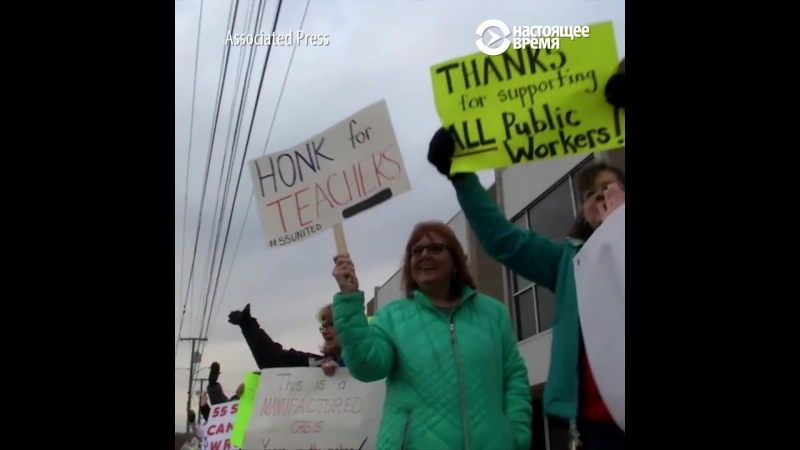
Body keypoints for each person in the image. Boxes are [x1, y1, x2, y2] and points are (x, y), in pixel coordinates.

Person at [426, 131, 625, 450]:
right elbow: (503, 240)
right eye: (589, 193)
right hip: (598, 423)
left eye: (608, 188)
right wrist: (460, 173)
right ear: (582, 211)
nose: (599, 197)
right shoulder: (568, 263)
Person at [331, 221, 532, 450]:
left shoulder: (493, 314)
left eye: (435, 248)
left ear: (456, 260)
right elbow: (367, 367)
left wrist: (516, 435)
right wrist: (349, 299)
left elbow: (514, 378)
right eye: (416, 250)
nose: (425, 255)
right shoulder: (391, 318)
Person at [228, 303, 344, 374]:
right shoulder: (317, 364)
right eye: (323, 326)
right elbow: (273, 360)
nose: (325, 331)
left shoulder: (362, 362)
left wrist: (342, 369)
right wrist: (249, 326)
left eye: (331, 324)